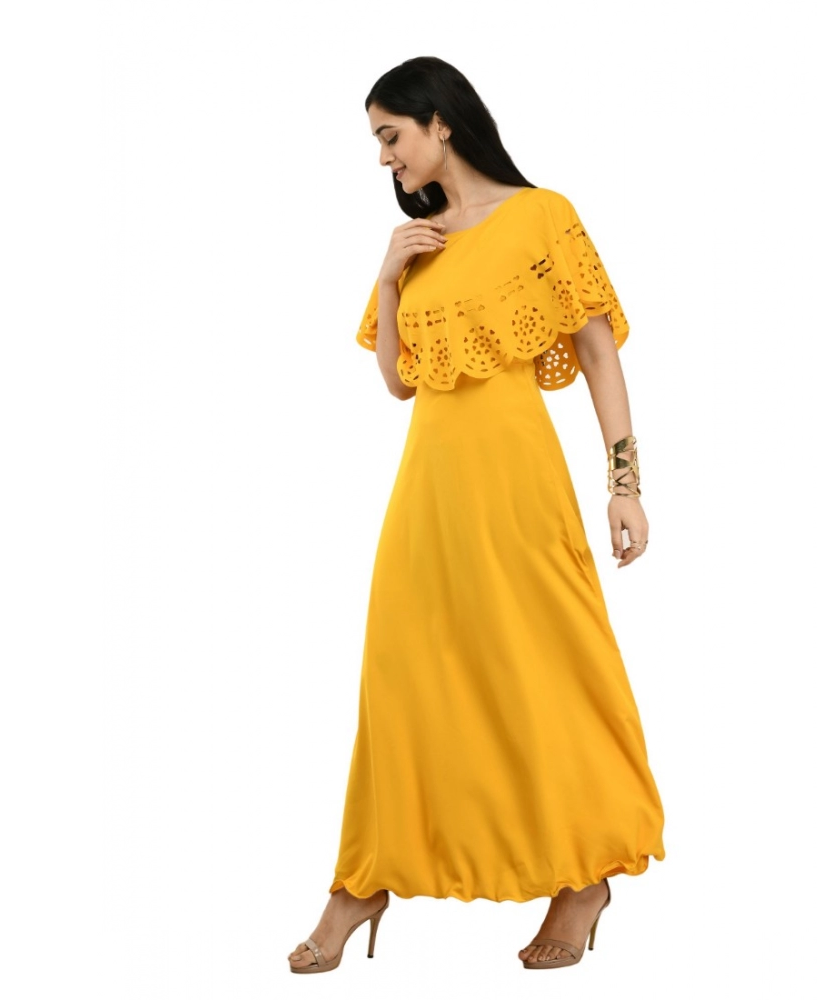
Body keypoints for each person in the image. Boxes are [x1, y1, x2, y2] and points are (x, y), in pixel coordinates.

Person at [288, 55, 665, 974]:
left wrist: (624, 482)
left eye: (391, 136)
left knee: (545, 670)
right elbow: (400, 382)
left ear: (441, 122)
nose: (384, 157)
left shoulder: (542, 217)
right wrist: (388, 279)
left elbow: (599, 353)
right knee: (402, 677)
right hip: (428, 490)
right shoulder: (418, 241)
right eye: (376, 141)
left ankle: (582, 875)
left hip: (517, 484)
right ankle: (363, 880)